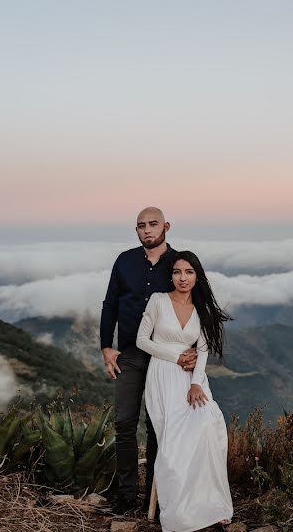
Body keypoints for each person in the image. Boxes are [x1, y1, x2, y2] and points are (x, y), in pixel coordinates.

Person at [100, 207, 198, 515]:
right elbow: (110, 304)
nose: (147, 230)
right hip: (130, 354)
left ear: (166, 226)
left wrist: (195, 348)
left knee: (159, 426)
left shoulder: (179, 263)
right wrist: (106, 346)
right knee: (124, 422)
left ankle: (155, 499)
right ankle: (127, 496)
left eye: (153, 224)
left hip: (167, 360)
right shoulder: (124, 261)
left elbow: (196, 302)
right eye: (141, 226)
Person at [136, 250, 233, 532]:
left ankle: (209, 502)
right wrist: (175, 357)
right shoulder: (158, 301)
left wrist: (195, 383)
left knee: (208, 424)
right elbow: (141, 340)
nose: (182, 277)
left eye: (188, 272)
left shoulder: (201, 309)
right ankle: (179, 508)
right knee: (175, 439)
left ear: (197, 276)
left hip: (192, 378)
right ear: (171, 275)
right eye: (177, 272)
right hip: (163, 374)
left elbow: (202, 350)